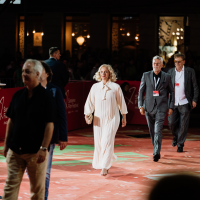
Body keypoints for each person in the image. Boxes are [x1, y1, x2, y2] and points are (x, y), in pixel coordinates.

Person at [2, 59, 55, 200]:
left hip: (36, 153)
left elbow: (49, 124)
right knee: (9, 186)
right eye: (23, 71)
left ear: (37, 74)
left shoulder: (46, 97)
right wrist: (7, 144)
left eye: (27, 71)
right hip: (15, 151)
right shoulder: (17, 95)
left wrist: (44, 148)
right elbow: (11, 121)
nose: (23, 74)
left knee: (37, 191)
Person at [84, 64, 128, 176]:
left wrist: (124, 116)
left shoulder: (115, 87)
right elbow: (90, 102)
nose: (103, 73)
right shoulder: (95, 87)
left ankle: (105, 166)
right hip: (98, 119)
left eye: (106, 72)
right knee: (99, 142)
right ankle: (106, 160)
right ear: (99, 73)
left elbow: (121, 102)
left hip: (112, 118)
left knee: (106, 140)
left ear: (110, 73)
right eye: (101, 72)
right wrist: (87, 114)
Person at [40, 62, 68, 200]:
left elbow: (62, 114)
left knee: (45, 171)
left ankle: (43, 197)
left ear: (47, 74)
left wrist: (63, 136)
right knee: (28, 168)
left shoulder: (55, 90)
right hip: (30, 136)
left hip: (49, 136)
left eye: (41, 71)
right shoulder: (29, 90)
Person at [138, 56, 174, 162]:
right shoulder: (146, 75)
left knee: (157, 130)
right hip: (148, 107)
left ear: (162, 65)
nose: (156, 65)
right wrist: (141, 105)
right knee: (152, 131)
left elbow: (172, 92)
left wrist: (171, 106)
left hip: (161, 107)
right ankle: (156, 148)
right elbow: (141, 91)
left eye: (158, 63)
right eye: (154, 63)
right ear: (152, 64)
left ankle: (156, 152)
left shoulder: (167, 77)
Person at [167, 53, 199, 152]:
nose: (177, 63)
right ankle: (176, 136)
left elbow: (195, 87)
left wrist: (195, 99)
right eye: (175, 61)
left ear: (184, 62)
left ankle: (180, 144)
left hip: (185, 102)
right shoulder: (170, 72)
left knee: (183, 125)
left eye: (179, 61)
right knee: (171, 123)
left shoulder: (190, 71)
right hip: (173, 103)